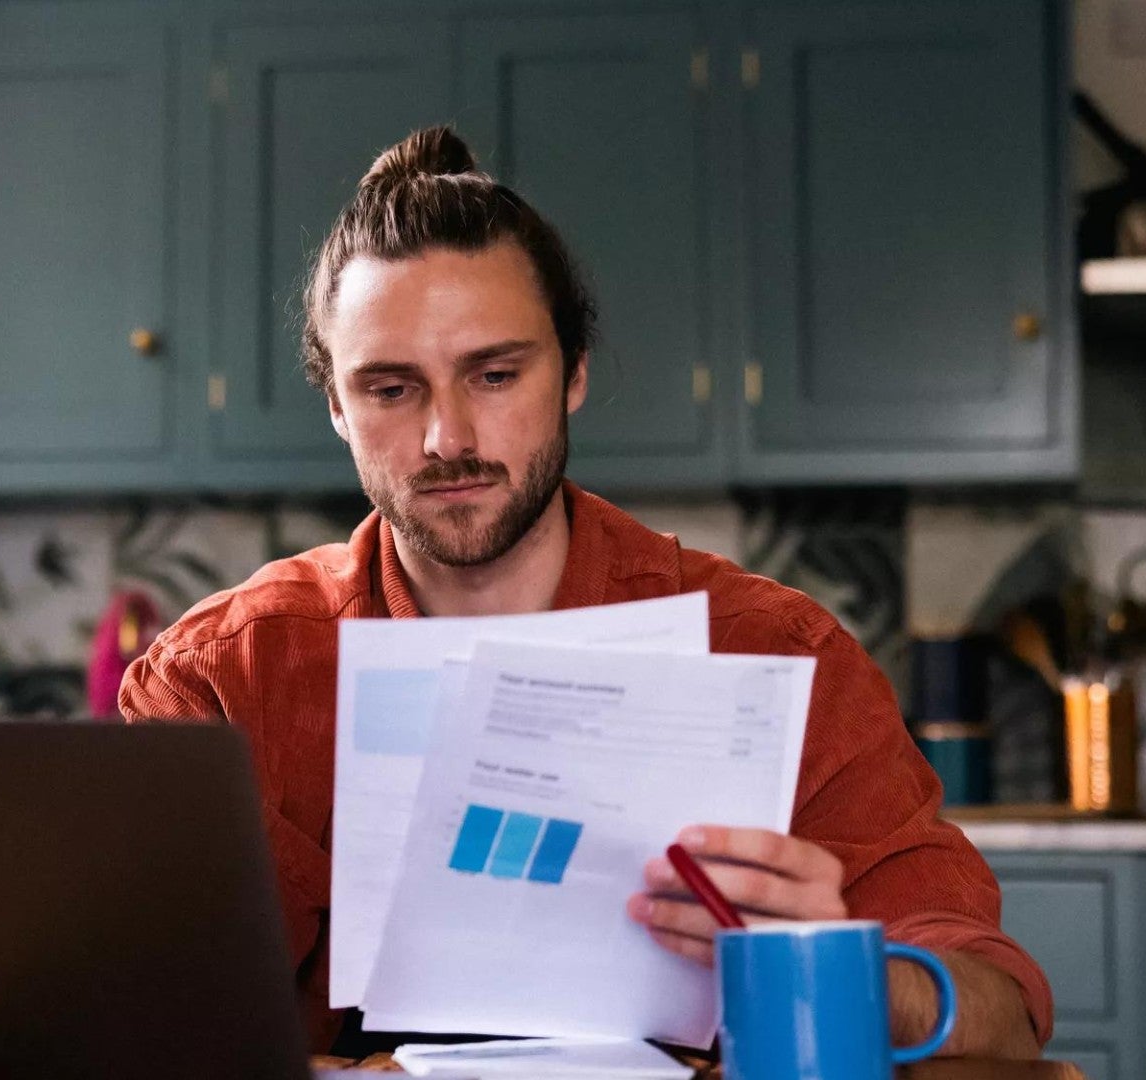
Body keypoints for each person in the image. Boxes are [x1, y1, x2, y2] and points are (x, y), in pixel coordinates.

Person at [120, 126, 1050, 1059]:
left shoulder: (775, 651)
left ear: (574, 373)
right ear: (335, 406)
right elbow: (123, 1022)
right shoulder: (225, 679)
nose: (448, 436)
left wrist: (831, 964)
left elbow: (1002, 1021)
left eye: (494, 374)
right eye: (392, 388)